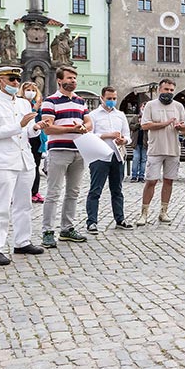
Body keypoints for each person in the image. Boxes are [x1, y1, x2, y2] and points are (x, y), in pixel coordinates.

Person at [0, 66, 46, 265]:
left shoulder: (24, 104)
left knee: (24, 204)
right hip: (4, 160)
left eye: (18, 79)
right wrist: (20, 125)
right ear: (0, 80)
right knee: (0, 205)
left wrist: (35, 127)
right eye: (12, 79)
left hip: (24, 159)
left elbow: (26, 134)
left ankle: (22, 241)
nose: (16, 83)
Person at [40, 66, 93, 247]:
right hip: (59, 150)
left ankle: (67, 229)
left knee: (73, 192)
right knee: (53, 192)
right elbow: (47, 127)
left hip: (79, 150)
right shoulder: (50, 101)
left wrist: (85, 127)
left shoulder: (80, 101)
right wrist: (71, 129)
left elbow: (89, 122)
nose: (73, 81)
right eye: (69, 78)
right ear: (60, 81)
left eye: (74, 78)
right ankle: (47, 231)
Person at [136, 78, 185, 226]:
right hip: (155, 149)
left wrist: (181, 127)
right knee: (151, 181)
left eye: (172, 90)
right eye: (166, 89)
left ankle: (163, 211)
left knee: (168, 181)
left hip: (173, 149)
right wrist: (164, 124)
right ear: (160, 89)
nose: (169, 92)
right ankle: (144, 213)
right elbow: (145, 125)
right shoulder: (150, 105)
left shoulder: (178, 106)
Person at [85, 86, 133, 233]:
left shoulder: (120, 115)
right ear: (102, 98)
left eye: (114, 98)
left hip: (117, 155)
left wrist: (123, 140)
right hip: (100, 155)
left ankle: (120, 219)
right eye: (109, 98)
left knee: (117, 190)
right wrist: (106, 135)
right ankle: (91, 221)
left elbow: (128, 136)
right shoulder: (93, 115)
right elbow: (89, 135)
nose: (112, 101)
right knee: (95, 190)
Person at [21, 81, 46, 203]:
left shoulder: (40, 104)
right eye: (28, 90)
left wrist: (38, 109)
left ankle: (34, 191)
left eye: (33, 90)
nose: (31, 92)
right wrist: (33, 109)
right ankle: (20, 193)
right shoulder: (19, 103)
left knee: (35, 166)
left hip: (36, 138)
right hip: (23, 138)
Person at [129, 101, 147, 182]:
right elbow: (131, 126)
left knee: (143, 159)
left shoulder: (149, 118)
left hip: (145, 142)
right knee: (136, 158)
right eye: (143, 107)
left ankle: (141, 176)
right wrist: (138, 124)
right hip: (136, 142)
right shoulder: (135, 117)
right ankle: (134, 176)